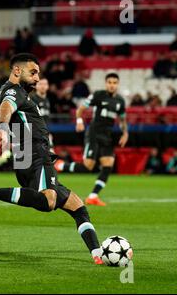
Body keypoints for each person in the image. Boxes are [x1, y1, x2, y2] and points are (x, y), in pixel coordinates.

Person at [0, 53, 105, 265]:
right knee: (48, 201)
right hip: (36, 154)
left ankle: (98, 253)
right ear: (17, 71)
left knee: (77, 206)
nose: (37, 78)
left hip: (28, 156)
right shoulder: (13, 91)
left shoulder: (21, 94)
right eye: (33, 72)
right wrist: (2, 128)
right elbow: (5, 108)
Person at [55, 73, 129, 207]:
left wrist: (125, 133)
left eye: (114, 83)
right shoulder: (98, 95)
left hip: (107, 136)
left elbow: (123, 119)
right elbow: (81, 109)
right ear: (106, 83)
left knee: (108, 165)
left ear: (117, 85)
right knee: (87, 166)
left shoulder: (120, 101)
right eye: (110, 82)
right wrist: (79, 121)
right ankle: (60, 165)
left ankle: (93, 196)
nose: (112, 85)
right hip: (94, 134)